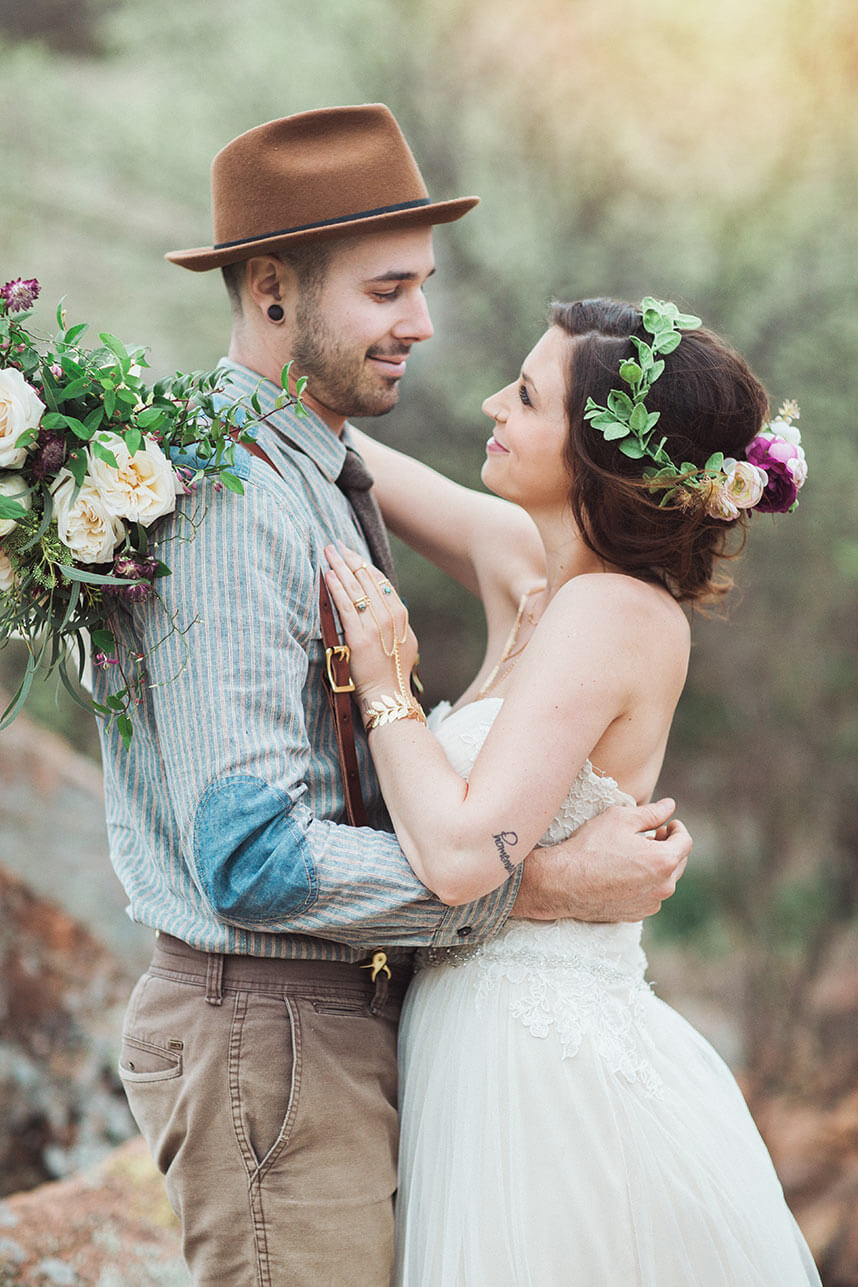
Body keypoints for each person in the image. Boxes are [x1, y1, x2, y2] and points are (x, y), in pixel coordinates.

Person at [97, 109, 692, 1284]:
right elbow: (251, 857)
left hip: (330, 1025)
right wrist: (547, 887)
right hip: (267, 1034)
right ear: (273, 290)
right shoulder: (230, 499)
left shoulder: (305, 463)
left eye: (420, 286)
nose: (422, 325)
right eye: (388, 291)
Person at [324, 297, 820, 1285]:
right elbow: (356, 468)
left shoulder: (612, 612)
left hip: (538, 1070)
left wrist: (385, 688)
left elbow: (463, 855)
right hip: (475, 1043)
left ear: (598, 454)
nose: (490, 402)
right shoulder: (535, 579)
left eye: (527, 395)